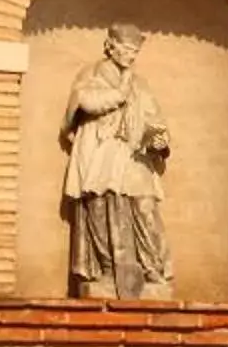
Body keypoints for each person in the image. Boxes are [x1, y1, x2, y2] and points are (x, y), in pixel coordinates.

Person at [62, 22, 173, 300]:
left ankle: (152, 270)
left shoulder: (140, 84)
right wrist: (119, 95)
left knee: (144, 207)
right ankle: (107, 270)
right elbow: (86, 102)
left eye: (135, 51)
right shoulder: (91, 75)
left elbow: (154, 119)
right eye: (126, 49)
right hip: (100, 151)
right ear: (110, 46)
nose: (130, 56)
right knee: (98, 207)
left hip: (134, 156)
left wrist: (159, 141)